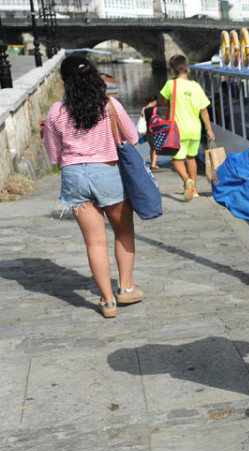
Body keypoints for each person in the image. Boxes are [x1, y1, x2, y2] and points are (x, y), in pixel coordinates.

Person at [42, 55, 143, 318]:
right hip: (108, 174)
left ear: (65, 81)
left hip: (74, 178)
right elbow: (132, 137)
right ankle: (126, 288)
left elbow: (54, 156)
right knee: (123, 232)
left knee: (94, 242)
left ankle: (107, 302)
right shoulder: (109, 105)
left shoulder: (55, 111)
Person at [145, 54, 214, 201]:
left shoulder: (171, 85)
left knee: (177, 160)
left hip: (177, 130)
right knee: (191, 158)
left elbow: (163, 102)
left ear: (172, 71)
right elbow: (204, 110)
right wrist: (209, 130)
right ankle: (194, 189)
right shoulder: (196, 87)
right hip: (195, 129)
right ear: (188, 69)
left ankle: (186, 181)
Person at [140, 97, 159, 170]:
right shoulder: (155, 109)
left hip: (147, 132)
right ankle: (153, 164)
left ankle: (152, 162)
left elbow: (142, 118)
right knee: (156, 148)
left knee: (152, 147)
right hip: (155, 130)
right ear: (154, 101)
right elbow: (158, 119)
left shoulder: (144, 109)